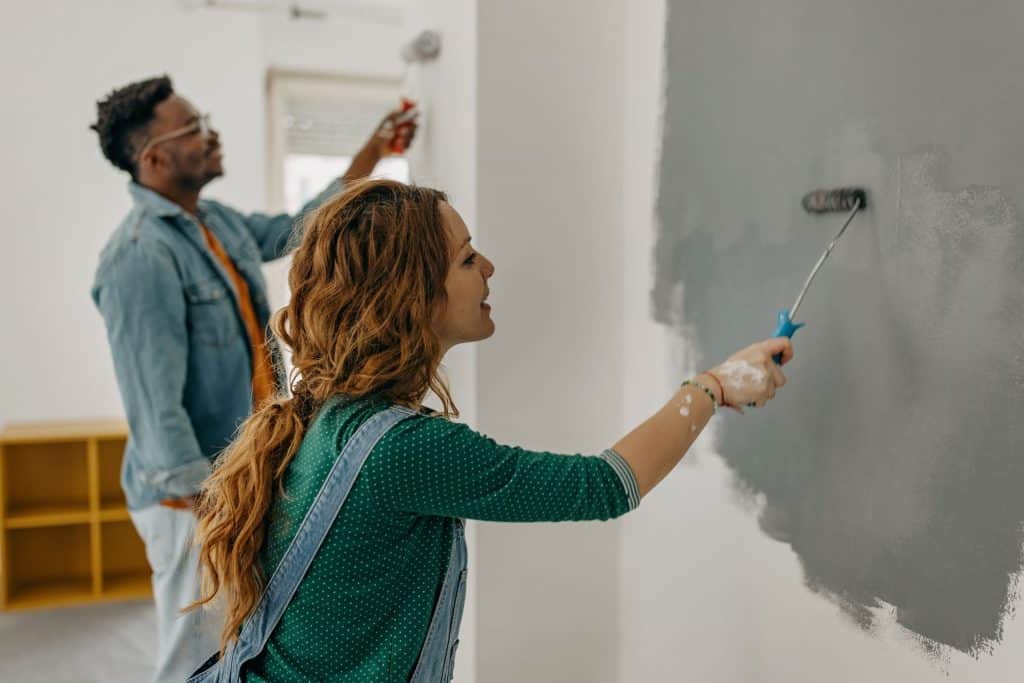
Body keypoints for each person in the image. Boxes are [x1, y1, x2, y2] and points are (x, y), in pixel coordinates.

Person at [190, 179, 794, 681]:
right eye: (467, 257)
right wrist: (711, 387)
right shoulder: (401, 451)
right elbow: (606, 485)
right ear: (413, 296)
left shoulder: (328, 416)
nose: (489, 267)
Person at [89, 75, 416, 683]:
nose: (212, 136)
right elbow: (156, 410)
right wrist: (213, 508)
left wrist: (374, 152)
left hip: (232, 475)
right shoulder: (138, 256)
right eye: (194, 129)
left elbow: (302, 224)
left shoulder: (214, 222)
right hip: (189, 496)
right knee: (195, 656)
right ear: (155, 158)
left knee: (236, 641)